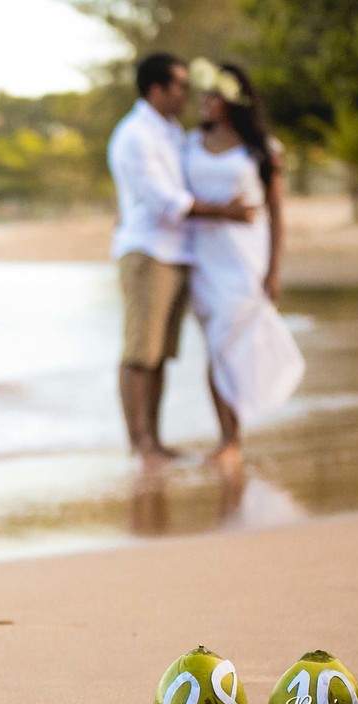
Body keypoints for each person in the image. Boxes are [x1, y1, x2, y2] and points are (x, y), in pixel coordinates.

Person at [107, 53, 255, 466]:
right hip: (148, 252)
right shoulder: (137, 135)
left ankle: (153, 440)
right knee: (140, 353)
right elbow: (163, 201)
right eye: (180, 87)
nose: (187, 94)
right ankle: (140, 444)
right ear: (157, 90)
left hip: (177, 253)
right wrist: (226, 212)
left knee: (159, 356)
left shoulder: (172, 132)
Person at [182, 60, 305, 471]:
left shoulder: (264, 150)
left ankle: (234, 435)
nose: (205, 103)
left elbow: (276, 213)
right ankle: (228, 437)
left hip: (245, 260)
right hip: (203, 261)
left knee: (236, 346)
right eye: (203, 96)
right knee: (216, 348)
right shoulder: (188, 145)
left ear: (233, 101)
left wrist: (274, 269)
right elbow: (176, 202)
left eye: (213, 96)